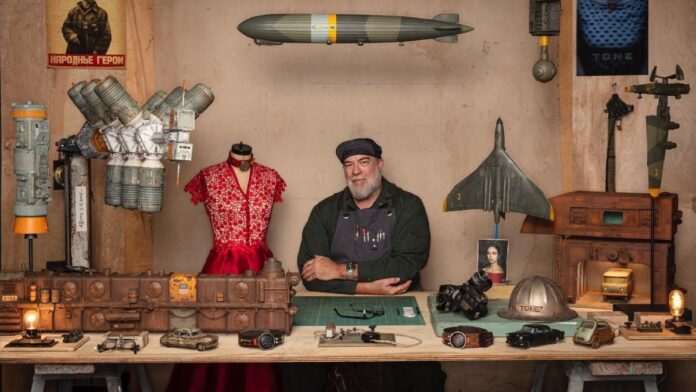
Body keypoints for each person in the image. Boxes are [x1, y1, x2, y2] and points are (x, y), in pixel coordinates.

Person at [281, 138, 445, 392]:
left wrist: (338, 270)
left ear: (379, 164)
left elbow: (406, 265)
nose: (355, 171)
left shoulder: (408, 206)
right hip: (334, 308)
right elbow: (311, 276)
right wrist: (370, 288)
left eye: (363, 162)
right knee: (297, 369)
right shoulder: (324, 211)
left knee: (423, 375)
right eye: (348, 164)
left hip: (398, 305)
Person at [167, 143, 286, 392]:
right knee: (213, 332)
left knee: (260, 333)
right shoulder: (209, 176)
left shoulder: (270, 177)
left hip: (262, 269)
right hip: (221, 268)